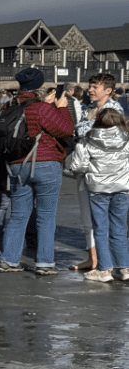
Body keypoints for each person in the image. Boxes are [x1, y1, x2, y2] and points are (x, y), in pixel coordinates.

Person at [0, 69, 73, 276]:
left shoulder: (10, 106)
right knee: (46, 216)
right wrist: (62, 108)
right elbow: (65, 130)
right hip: (45, 162)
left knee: (18, 216)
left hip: (18, 164)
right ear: (40, 86)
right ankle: (44, 263)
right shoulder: (41, 108)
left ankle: (9, 259)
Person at [70, 75, 121, 272]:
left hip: (102, 171)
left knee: (101, 217)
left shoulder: (114, 110)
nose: (90, 90)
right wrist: (87, 124)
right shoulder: (89, 109)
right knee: (87, 215)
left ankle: (103, 260)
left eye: (95, 87)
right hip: (88, 167)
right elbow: (81, 131)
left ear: (108, 90)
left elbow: (92, 134)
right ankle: (93, 257)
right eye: (90, 86)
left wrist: (86, 125)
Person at [72, 110, 129, 284]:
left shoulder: (87, 141)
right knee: (120, 228)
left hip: (98, 189)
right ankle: (123, 267)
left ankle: (104, 270)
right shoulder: (126, 140)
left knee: (101, 229)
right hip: (123, 188)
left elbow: (78, 166)